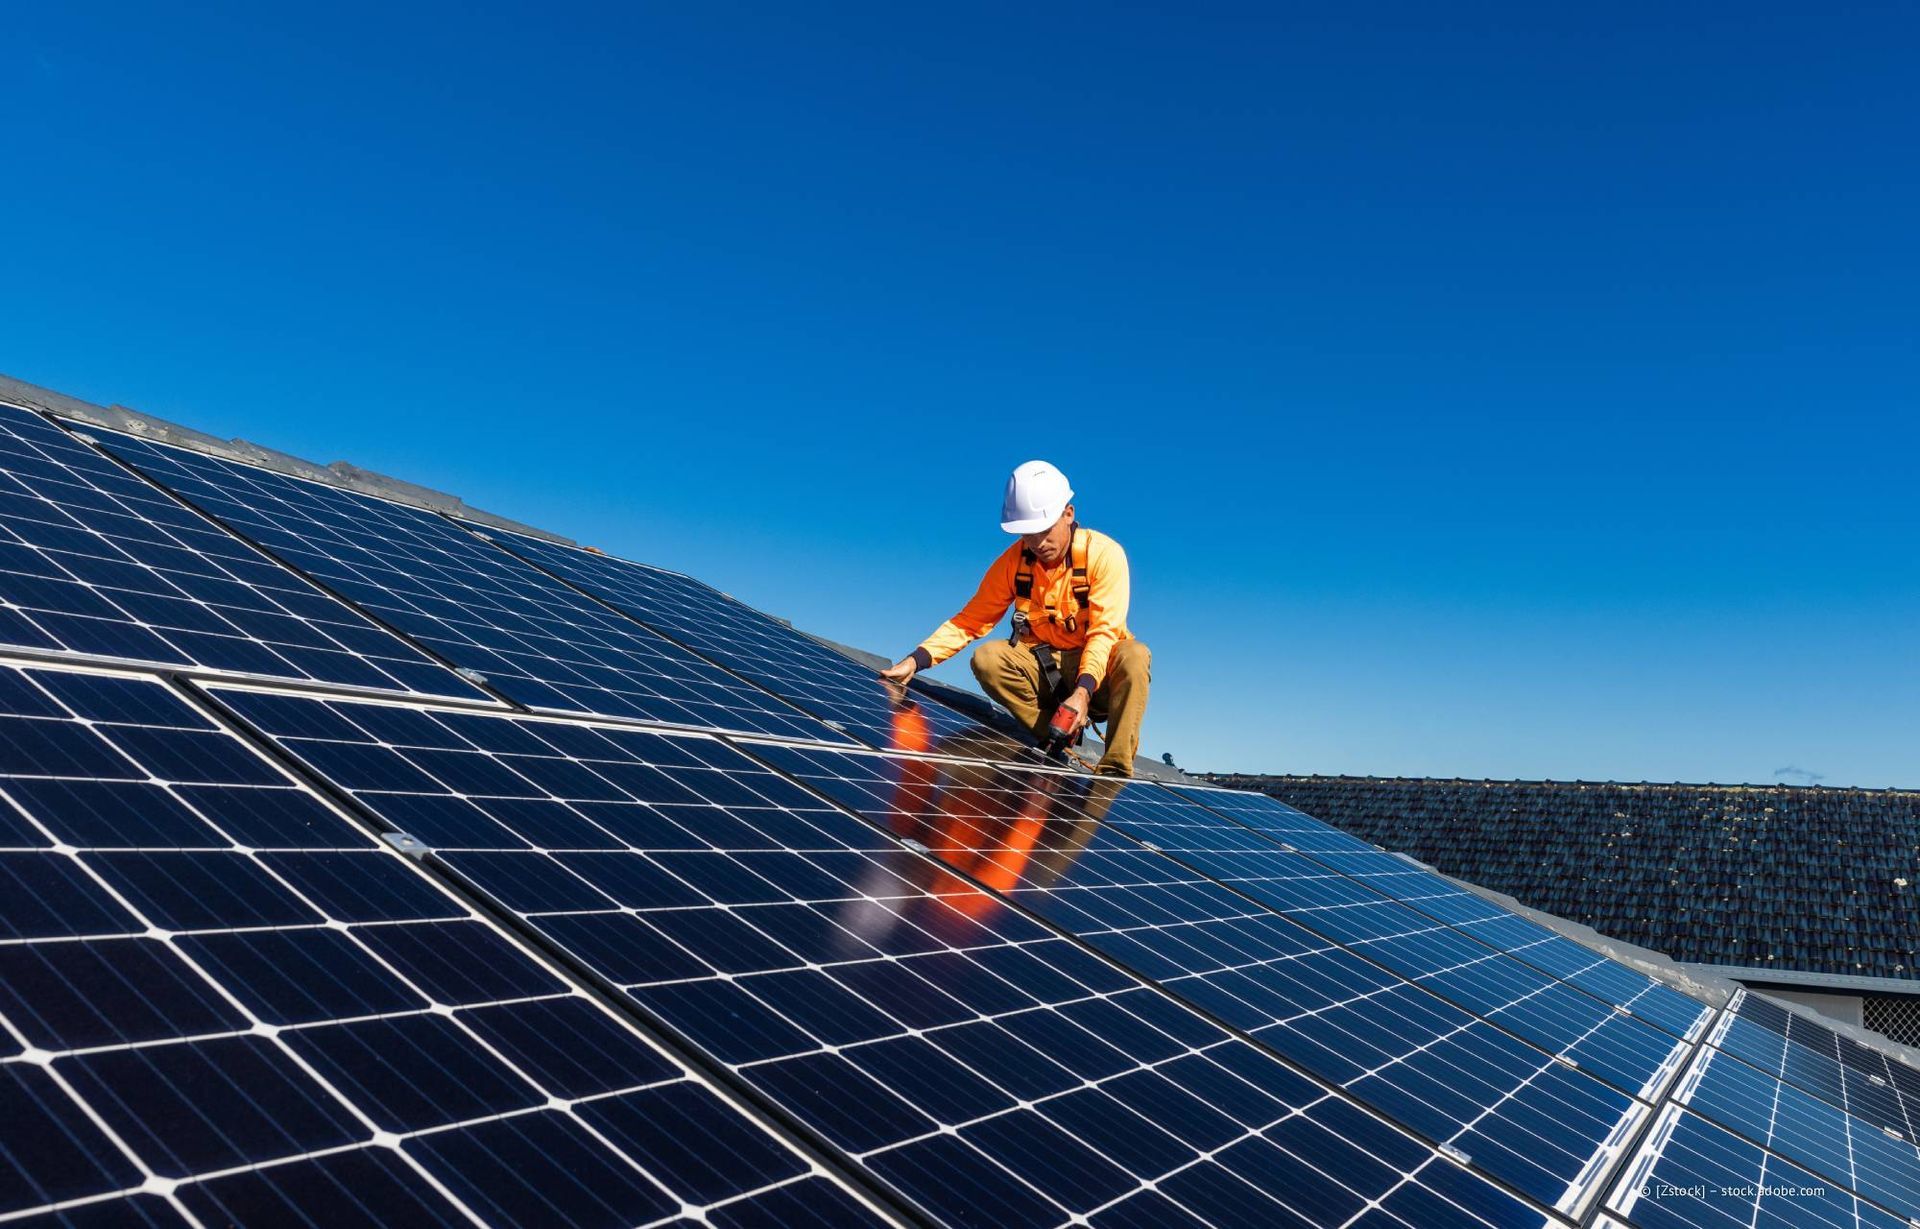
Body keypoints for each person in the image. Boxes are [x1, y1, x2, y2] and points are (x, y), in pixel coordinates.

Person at [882, 461, 1150, 777]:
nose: (1038, 544)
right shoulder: (1014, 562)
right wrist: (915, 661)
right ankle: (1056, 736)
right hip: (1045, 670)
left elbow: (1104, 633)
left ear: (1068, 514)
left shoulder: (1104, 555)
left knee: (1134, 656)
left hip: (1098, 677)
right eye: (1028, 534)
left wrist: (1083, 692)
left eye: (1045, 531)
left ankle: (1114, 771)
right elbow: (970, 620)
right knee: (988, 658)